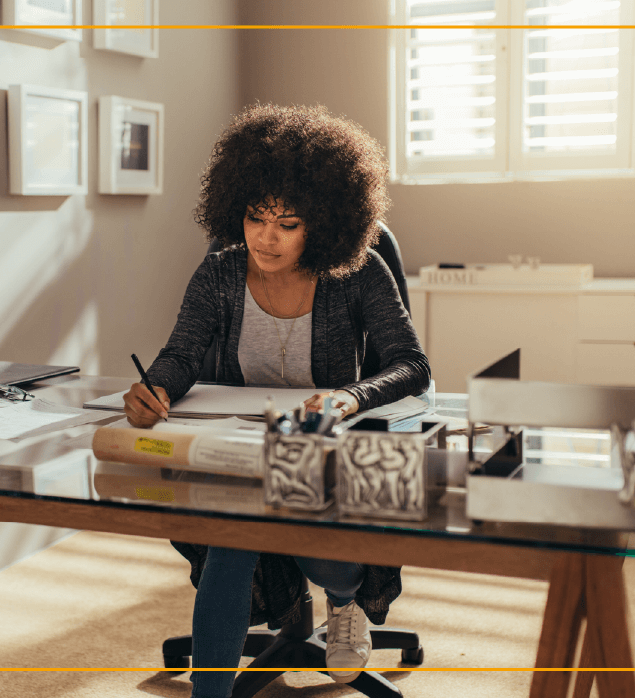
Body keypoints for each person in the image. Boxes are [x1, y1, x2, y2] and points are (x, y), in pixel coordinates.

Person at [121, 103, 430, 697]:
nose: (266, 236)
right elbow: (182, 355)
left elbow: (411, 365)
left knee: (322, 559)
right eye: (255, 217)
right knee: (230, 548)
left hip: (327, 444)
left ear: (324, 221)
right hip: (246, 445)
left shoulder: (358, 272)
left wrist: (347, 398)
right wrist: (156, 387)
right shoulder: (219, 274)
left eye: (287, 223)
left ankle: (343, 604)